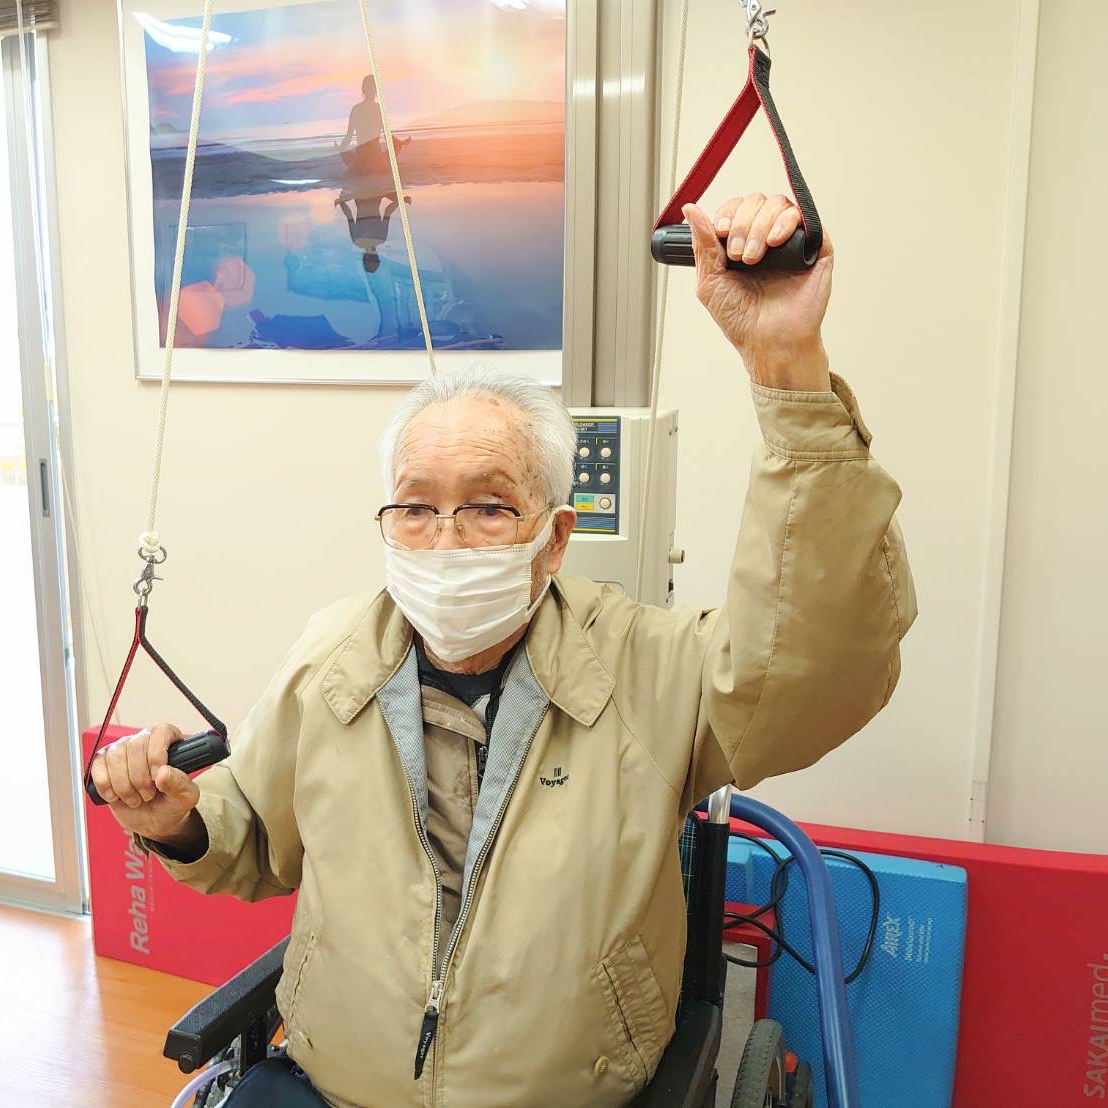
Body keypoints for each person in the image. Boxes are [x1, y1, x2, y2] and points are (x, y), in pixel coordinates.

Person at [90, 194, 917, 1107]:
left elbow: (814, 665)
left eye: (487, 507)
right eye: (415, 507)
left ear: (553, 537)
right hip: (338, 1087)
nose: (444, 540)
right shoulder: (332, 658)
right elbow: (251, 833)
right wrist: (178, 820)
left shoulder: (648, 668)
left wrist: (786, 372)